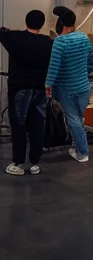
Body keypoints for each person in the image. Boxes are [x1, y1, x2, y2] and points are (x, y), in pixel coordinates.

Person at [2, 10, 52, 175]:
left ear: (26, 21)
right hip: (40, 89)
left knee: (19, 126)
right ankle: (35, 163)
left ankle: (18, 163)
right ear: (42, 24)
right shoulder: (48, 42)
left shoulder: (15, 38)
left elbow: (2, 32)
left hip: (19, 89)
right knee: (37, 125)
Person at [45, 6, 93, 163]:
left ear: (60, 24)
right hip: (83, 87)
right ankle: (76, 146)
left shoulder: (60, 42)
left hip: (66, 88)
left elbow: (54, 67)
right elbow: (91, 63)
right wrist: (81, 73)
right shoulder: (84, 38)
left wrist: (48, 85)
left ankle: (83, 152)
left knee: (73, 120)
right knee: (78, 119)